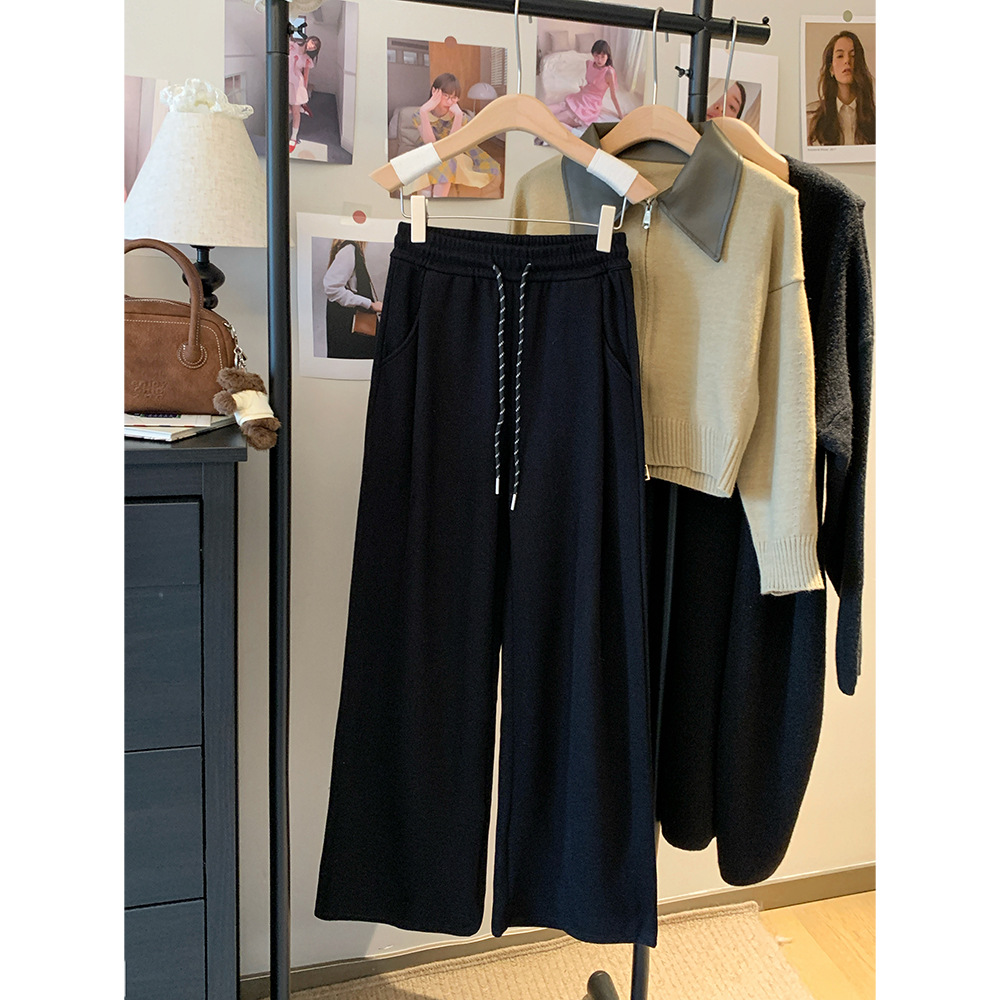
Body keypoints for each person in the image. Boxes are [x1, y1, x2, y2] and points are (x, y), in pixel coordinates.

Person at [409, 73, 501, 197]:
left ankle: (438, 202)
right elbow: (430, 143)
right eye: (446, 96)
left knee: (446, 161)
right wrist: (424, 111)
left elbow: (452, 145)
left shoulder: (461, 116)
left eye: (454, 98)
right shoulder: (419, 114)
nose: (449, 101)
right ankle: (425, 201)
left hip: (454, 150)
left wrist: (458, 116)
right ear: (434, 91)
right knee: (428, 160)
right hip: (430, 149)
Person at [806, 30, 875, 146]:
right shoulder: (811, 117)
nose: (847, 61)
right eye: (840, 56)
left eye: (853, 56)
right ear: (831, 68)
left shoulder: (874, 116)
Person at [324, 239, 381, 360]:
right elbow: (332, 288)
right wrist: (370, 304)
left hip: (346, 328)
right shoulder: (349, 249)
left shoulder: (350, 250)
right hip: (349, 328)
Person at [547, 40, 624, 129]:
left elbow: (613, 96)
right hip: (582, 96)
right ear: (593, 54)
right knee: (554, 108)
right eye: (596, 56)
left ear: (608, 56)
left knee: (555, 120)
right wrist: (584, 88)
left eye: (603, 57)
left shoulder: (609, 73)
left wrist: (621, 115)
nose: (599, 60)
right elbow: (591, 83)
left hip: (590, 104)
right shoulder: (589, 64)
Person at [289, 35, 321, 153]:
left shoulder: (307, 59)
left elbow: (306, 76)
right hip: (284, 80)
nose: (312, 46)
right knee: (285, 109)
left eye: (315, 47)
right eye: (312, 42)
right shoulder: (292, 46)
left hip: (297, 84)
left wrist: (304, 92)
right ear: (308, 40)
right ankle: (302, 109)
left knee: (295, 112)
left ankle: (293, 137)